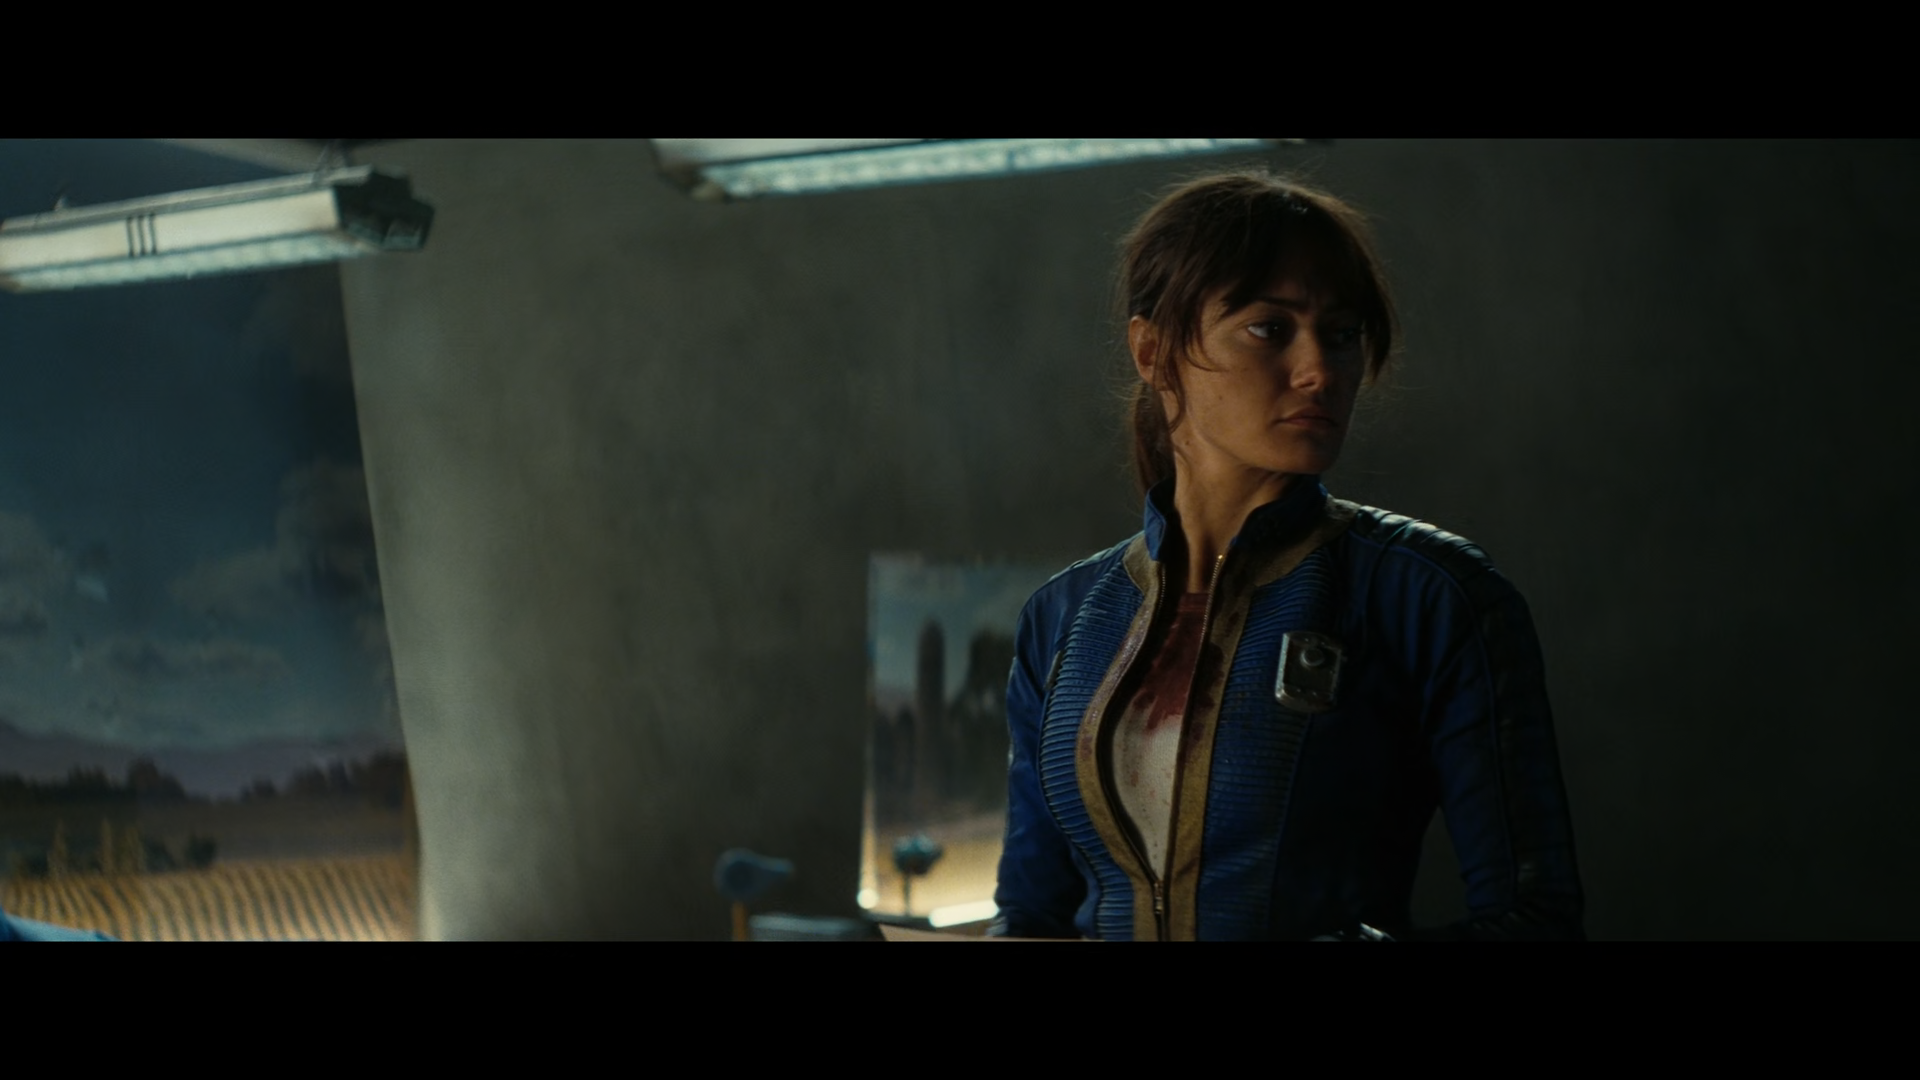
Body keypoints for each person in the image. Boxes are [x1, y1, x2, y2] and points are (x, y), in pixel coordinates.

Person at [992, 172, 1583, 941]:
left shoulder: (1431, 595)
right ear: (1153, 349)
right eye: (1270, 328)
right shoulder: (1064, 617)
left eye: (1341, 334)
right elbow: (1030, 916)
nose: (1320, 371)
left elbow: (1534, 919)